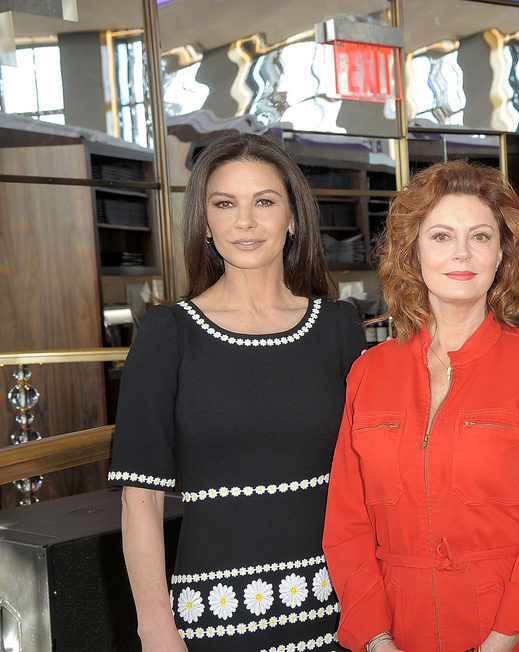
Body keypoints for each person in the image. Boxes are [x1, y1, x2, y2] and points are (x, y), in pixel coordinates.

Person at [108, 133, 365, 651]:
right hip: (213, 622)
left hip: (337, 614)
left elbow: (370, 482)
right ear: (205, 222)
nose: (244, 222)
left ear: (293, 218)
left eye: (263, 202)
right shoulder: (168, 334)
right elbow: (141, 502)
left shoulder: (339, 328)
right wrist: (156, 630)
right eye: (225, 204)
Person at [323, 160, 519, 652]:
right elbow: (346, 523)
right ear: (413, 251)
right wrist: (377, 639)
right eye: (441, 236)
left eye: (480, 236)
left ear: (501, 253)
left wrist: (498, 643)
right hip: (398, 631)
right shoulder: (369, 373)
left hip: (512, 633)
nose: (462, 253)